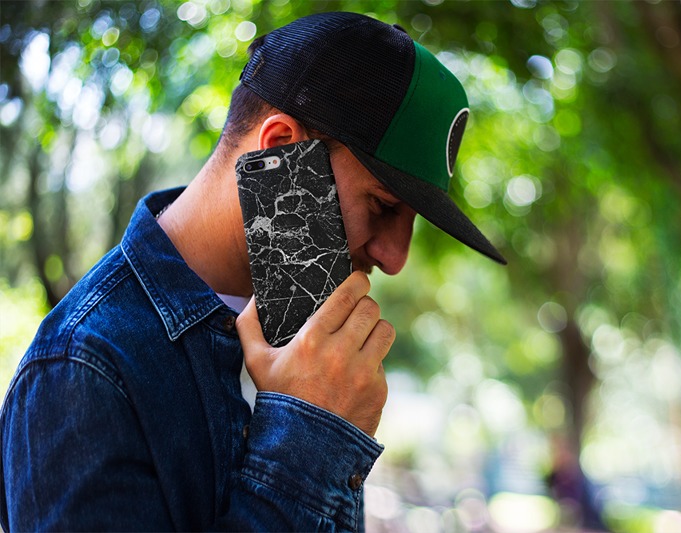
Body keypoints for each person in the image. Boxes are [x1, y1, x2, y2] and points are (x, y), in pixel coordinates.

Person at [0, 11, 506, 531]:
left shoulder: (308, 339)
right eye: (382, 205)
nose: (395, 258)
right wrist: (309, 433)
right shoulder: (82, 368)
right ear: (281, 148)